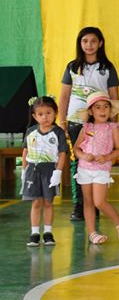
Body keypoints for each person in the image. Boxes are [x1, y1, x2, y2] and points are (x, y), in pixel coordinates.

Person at [58, 27, 119, 222]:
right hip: (77, 122)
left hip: (101, 123)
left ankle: (96, 204)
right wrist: (62, 121)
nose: (89, 45)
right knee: (81, 162)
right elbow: (65, 95)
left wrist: (113, 123)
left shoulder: (107, 67)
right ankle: (81, 205)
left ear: (100, 43)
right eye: (85, 41)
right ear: (80, 43)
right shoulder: (72, 67)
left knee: (99, 161)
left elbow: (114, 95)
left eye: (93, 41)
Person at [72, 92, 119, 244]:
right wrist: (83, 156)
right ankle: (92, 233)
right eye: (98, 107)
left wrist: (106, 158)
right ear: (91, 111)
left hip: (101, 169)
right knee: (88, 202)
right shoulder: (86, 127)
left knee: (99, 202)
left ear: (110, 110)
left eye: (105, 107)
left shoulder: (113, 127)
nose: (102, 110)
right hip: (84, 169)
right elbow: (76, 148)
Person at [23, 97, 67, 247]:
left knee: (48, 202)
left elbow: (62, 153)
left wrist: (58, 172)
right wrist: (24, 170)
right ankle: (34, 233)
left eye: (48, 113)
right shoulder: (30, 132)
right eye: (40, 114)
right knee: (36, 202)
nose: (45, 117)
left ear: (55, 113)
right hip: (33, 170)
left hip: (50, 170)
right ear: (34, 116)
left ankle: (48, 232)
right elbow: (25, 151)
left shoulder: (58, 132)